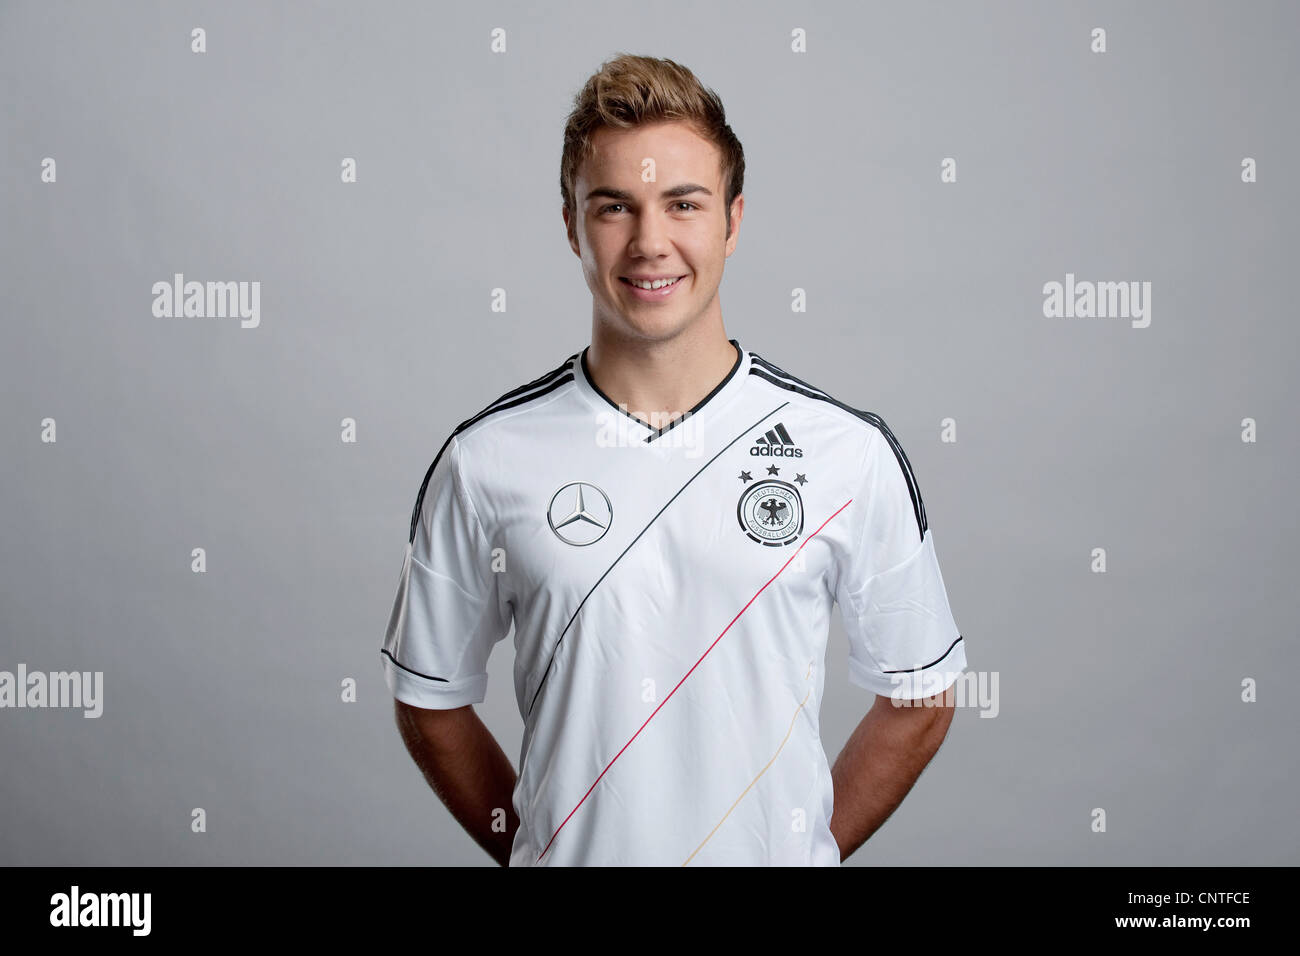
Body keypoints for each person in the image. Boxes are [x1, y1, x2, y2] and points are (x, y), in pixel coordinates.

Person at [381, 53, 968, 866]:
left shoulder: (847, 453)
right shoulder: (484, 462)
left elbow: (921, 695)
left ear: (732, 220)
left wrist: (804, 852)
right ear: (571, 225)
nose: (650, 243)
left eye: (682, 204)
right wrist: (537, 848)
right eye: (615, 207)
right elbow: (429, 697)